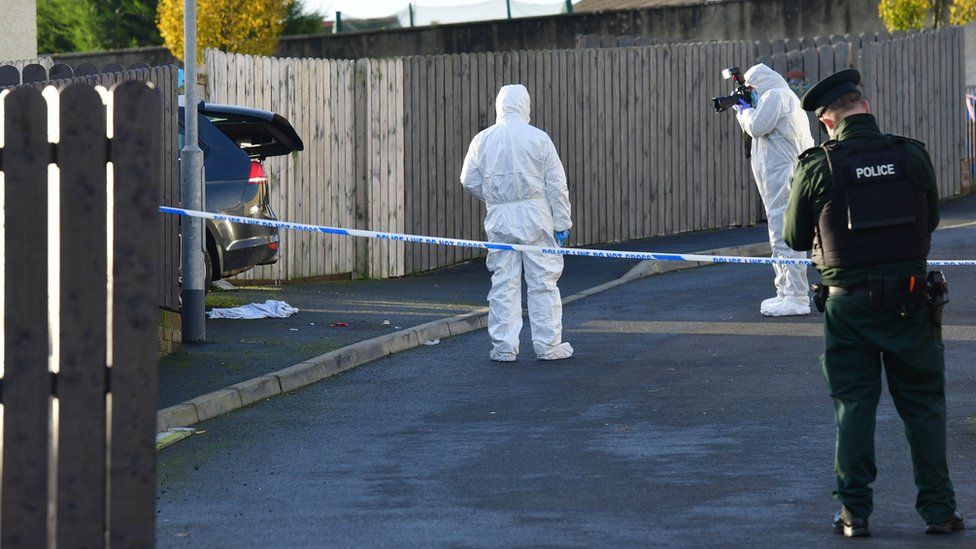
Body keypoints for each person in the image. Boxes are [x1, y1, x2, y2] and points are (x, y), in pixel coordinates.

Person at [784, 69, 963, 538]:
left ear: (826, 122)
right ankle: (940, 512)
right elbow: (932, 221)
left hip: (849, 309)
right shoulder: (911, 155)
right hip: (910, 301)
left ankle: (854, 513)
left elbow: (794, 236)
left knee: (855, 408)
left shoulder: (818, 165)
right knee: (924, 406)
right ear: (865, 106)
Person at [459, 84, 574, 362]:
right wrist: (562, 222)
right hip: (536, 216)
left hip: (500, 217)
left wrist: (495, 198)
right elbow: (556, 186)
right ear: (526, 106)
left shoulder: (482, 139)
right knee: (543, 281)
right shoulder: (539, 138)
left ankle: (504, 347)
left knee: (503, 282)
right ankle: (547, 346)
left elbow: (468, 180)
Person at [733, 64, 814, 316]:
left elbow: (756, 126)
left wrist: (742, 111)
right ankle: (785, 292)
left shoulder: (775, 96)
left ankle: (796, 296)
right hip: (781, 176)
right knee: (779, 233)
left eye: (751, 89)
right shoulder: (783, 97)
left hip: (782, 176)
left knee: (783, 235)